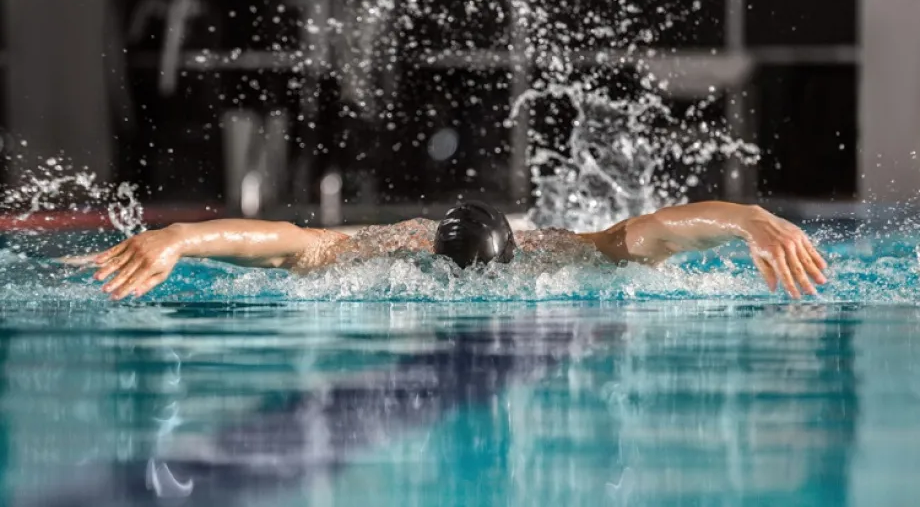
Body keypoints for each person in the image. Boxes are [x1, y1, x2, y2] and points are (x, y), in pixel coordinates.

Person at [74, 200, 828, 301]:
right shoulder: (383, 251)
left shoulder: (559, 253)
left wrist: (749, 218)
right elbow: (290, 245)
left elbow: (655, 230)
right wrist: (179, 237)